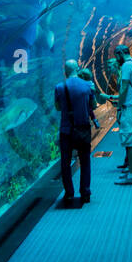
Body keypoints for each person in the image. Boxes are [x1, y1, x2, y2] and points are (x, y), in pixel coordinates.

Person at [53, 60, 94, 206]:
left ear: (65, 71)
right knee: (85, 161)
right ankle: (85, 192)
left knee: (65, 163)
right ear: (78, 68)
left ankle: (69, 193)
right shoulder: (87, 85)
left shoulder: (59, 87)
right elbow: (93, 105)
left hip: (66, 130)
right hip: (83, 129)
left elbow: (58, 107)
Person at [109, 44, 132, 184]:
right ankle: (131, 170)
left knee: (131, 140)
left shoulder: (127, 66)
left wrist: (119, 107)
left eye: (116, 56)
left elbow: (123, 89)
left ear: (120, 53)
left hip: (129, 107)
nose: (116, 59)